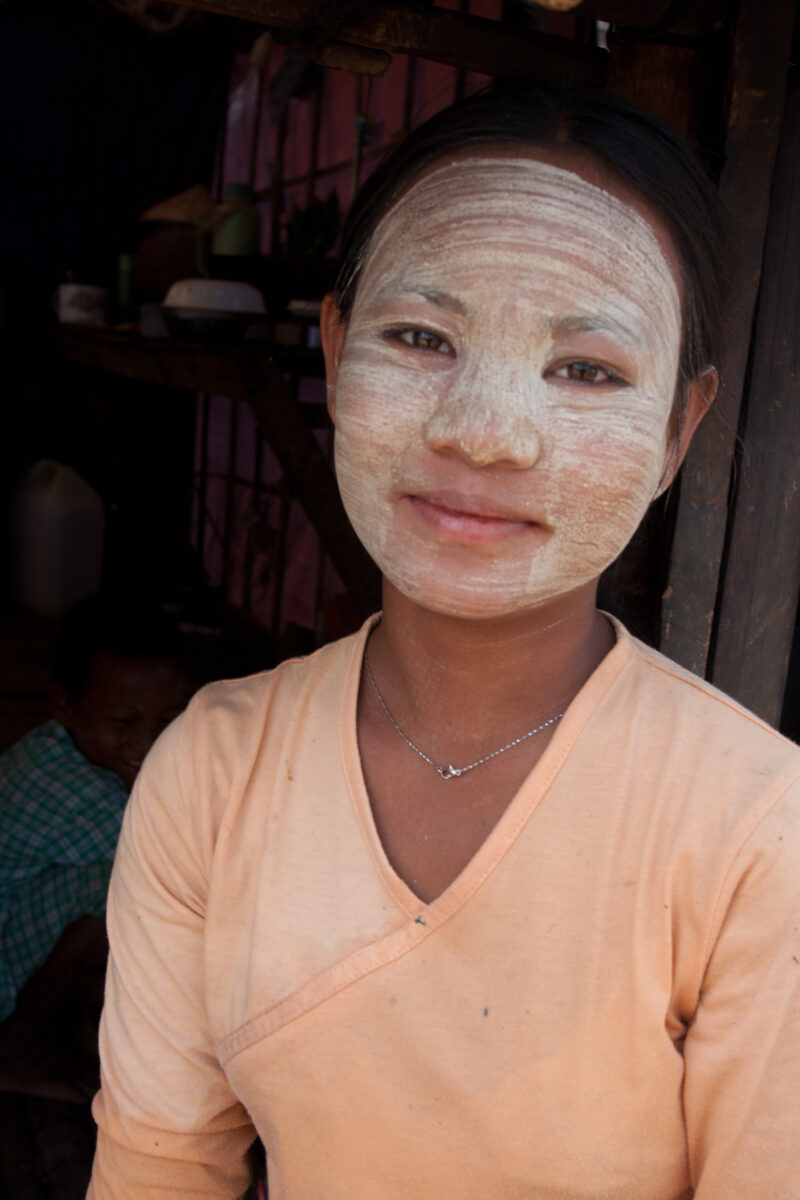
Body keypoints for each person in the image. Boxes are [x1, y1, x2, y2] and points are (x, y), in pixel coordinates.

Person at [88, 80, 800, 1198]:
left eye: (585, 368)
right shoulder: (214, 773)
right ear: (335, 354)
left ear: (677, 429)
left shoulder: (758, 829)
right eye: (422, 337)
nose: (484, 434)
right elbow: (157, 1169)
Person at [0, 594, 189, 1100]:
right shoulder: (78, 791)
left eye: (168, 719)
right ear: (65, 706)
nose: (148, 742)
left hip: (18, 920)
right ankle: (18, 1042)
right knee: (133, 886)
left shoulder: (61, 743)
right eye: (124, 722)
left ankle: (70, 1020)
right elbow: (173, 856)